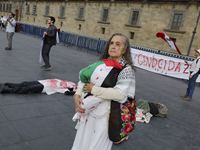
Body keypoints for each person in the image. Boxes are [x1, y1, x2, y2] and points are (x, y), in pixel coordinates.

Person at [72, 33, 136, 150]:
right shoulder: (102, 63)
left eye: (118, 44)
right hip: (89, 113)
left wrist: (94, 89)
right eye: (111, 43)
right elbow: (84, 78)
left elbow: (120, 94)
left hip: (106, 118)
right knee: (82, 143)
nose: (113, 46)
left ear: (124, 50)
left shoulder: (127, 70)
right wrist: (77, 94)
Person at [0, 79, 77, 95]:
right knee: (25, 83)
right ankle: (7, 84)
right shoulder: (61, 81)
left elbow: (67, 93)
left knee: (27, 89)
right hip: (42, 82)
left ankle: (8, 90)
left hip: (44, 88)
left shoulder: (64, 89)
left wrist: (77, 92)